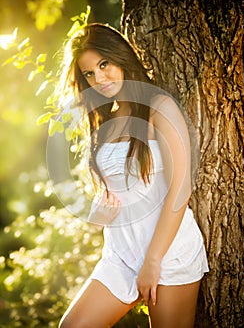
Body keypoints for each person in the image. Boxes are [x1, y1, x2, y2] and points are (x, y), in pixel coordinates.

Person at [57, 23, 209, 328]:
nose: (99, 78)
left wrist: (153, 262)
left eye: (104, 64)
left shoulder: (159, 107)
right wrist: (98, 212)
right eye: (89, 74)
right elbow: (121, 188)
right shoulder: (108, 120)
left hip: (167, 253)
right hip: (121, 254)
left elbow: (181, 189)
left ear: (121, 56)